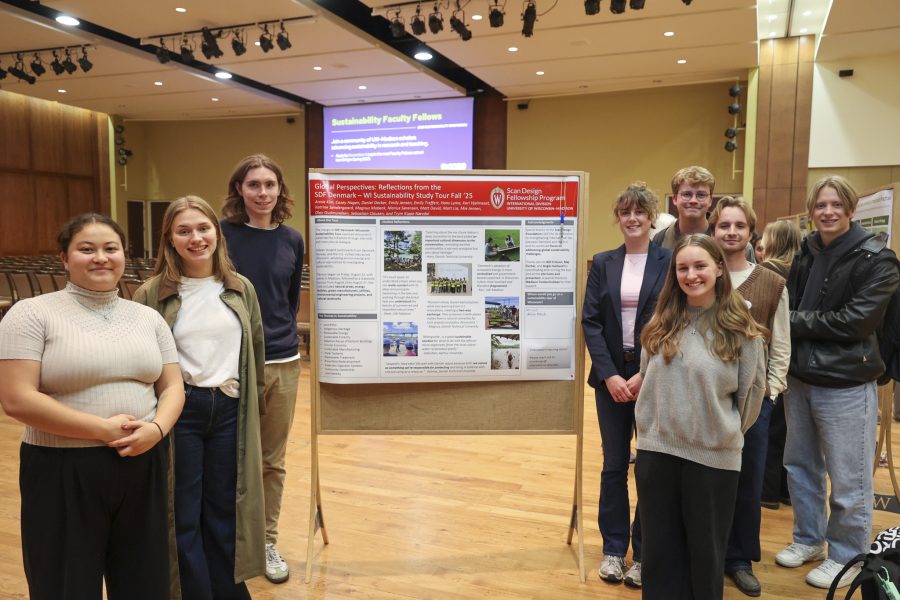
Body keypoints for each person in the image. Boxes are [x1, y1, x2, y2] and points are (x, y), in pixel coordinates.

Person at [0, 213, 184, 600]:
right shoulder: (31, 314)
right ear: (65, 258)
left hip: (143, 460)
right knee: (66, 583)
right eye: (86, 249)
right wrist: (100, 430)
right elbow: (16, 398)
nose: (100, 257)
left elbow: (172, 387)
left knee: (145, 582)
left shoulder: (147, 317)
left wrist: (157, 429)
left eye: (110, 248)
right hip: (62, 467)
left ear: (123, 255)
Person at [134, 196, 266, 599]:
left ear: (217, 233)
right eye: (184, 230)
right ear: (169, 239)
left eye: (203, 228)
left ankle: (228, 590)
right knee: (184, 510)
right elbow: (142, 363)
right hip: (181, 410)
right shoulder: (151, 294)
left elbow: (255, 354)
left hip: (230, 410)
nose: (196, 238)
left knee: (225, 508)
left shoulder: (240, 288)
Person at [777, 176, 899, 590]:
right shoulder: (807, 252)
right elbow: (789, 302)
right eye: (820, 205)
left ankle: (847, 556)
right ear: (812, 211)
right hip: (801, 379)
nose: (827, 212)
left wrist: (790, 323)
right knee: (800, 467)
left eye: (835, 204)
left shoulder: (878, 259)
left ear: (850, 208)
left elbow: (855, 322)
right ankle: (808, 540)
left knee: (849, 479)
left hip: (846, 384)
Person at [635, 234, 767, 600]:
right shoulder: (660, 323)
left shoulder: (743, 330)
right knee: (659, 557)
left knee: (704, 558)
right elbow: (648, 381)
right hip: (656, 455)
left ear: (719, 269)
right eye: (683, 267)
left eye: (700, 266)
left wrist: (717, 435)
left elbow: (751, 397)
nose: (691, 275)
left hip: (712, 461)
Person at [581, 182, 671, 588]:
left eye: (640, 212)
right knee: (614, 465)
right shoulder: (603, 262)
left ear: (652, 217)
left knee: (650, 468)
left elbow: (672, 322)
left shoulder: (670, 261)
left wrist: (643, 373)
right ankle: (614, 550)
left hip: (654, 377)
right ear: (617, 218)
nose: (632, 219)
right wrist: (611, 374)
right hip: (611, 380)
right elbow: (592, 323)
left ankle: (645, 554)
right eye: (625, 212)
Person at [221, 154, 305, 584]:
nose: (262, 192)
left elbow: (288, 303)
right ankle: (233, 540)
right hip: (232, 365)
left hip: (284, 363)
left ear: (280, 190)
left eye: (269, 184)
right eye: (253, 184)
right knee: (233, 457)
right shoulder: (221, 236)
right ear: (240, 189)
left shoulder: (292, 239)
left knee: (273, 461)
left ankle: (267, 540)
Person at [710, 197, 790, 597]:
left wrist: (771, 393)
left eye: (739, 225)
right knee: (709, 479)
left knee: (747, 482)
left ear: (750, 232)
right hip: (708, 402)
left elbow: (781, 348)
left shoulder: (772, 283)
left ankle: (739, 558)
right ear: (713, 231)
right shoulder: (701, 275)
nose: (731, 232)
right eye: (724, 225)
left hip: (754, 405)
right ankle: (708, 552)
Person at [758, 219, 802, 511]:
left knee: (772, 435)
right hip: (796, 364)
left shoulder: (766, 274)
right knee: (788, 433)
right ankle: (785, 491)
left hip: (771, 363)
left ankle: (768, 492)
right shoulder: (801, 270)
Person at [651, 166, 716, 249]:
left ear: (710, 200)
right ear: (675, 199)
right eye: (686, 194)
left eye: (701, 195)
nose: (693, 200)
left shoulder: (722, 236)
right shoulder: (660, 240)